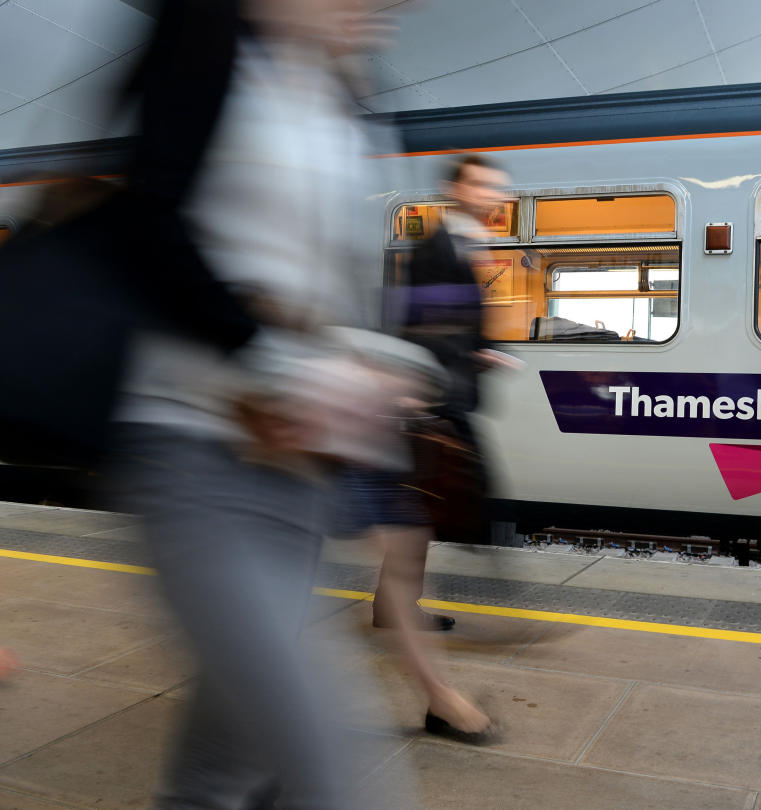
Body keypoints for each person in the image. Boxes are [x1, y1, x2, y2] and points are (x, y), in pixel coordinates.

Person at [108, 1, 416, 807]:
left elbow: (309, 283)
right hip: (190, 451)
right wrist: (278, 361)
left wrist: (365, 366)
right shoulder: (210, 47)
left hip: (295, 478)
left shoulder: (339, 92)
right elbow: (145, 230)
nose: (389, 10)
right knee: (337, 776)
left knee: (227, 774)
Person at [373, 153, 518, 633]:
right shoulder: (437, 248)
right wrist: (430, 387)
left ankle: (393, 607)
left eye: (493, 186)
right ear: (454, 189)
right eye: (479, 185)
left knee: (424, 506)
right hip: (437, 395)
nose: (489, 194)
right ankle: (505, 596)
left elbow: (457, 324)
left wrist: (486, 350)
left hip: (447, 389)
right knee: (461, 492)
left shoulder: (468, 245)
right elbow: (423, 326)